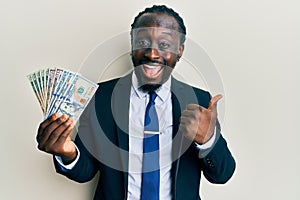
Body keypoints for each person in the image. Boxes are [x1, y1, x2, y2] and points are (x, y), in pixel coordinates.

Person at [36, 5, 235, 200]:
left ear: (180, 51)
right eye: (142, 42)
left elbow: (222, 174)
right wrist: (67, 152)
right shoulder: (101, 97)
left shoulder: (199, 100)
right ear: (132, 44)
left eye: (164, 45)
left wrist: (207, 140)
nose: (152, 54)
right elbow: (85, 172)